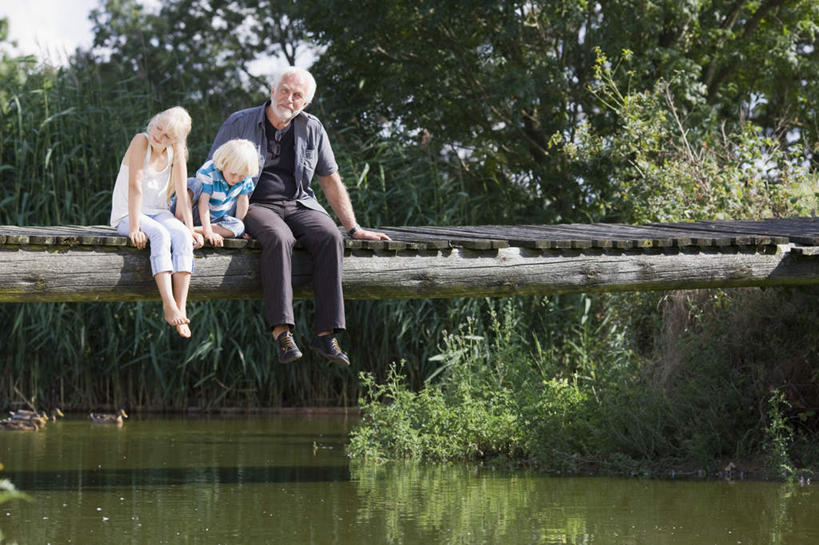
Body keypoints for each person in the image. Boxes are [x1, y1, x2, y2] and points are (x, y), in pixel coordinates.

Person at [208, 66, 390, 365]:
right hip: (253, 204)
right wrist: (218, 223)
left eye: (297, 96)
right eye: (284, 91)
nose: (289, 99)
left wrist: (354, 228)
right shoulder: (239, 122)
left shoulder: (313, 127)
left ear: (305, 103)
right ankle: (282, 332)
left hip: (299, 202)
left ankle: (326, 335)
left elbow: (330, 180)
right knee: (279, 238)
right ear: (272, 91)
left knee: (330, 236)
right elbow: (212, 171)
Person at [109, 106, 204, 338]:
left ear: (176, 140)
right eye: (158, 128)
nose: (158, 136)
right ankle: (168, 303)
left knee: (182, 236)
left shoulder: (176, 150)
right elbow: (135, 185)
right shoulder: (141, 141)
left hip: (159, 212)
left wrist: (190, 228)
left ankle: (181, 307)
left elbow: (182, 192)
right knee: (160, 234)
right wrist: (134, 227)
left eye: (167, 136)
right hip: (128, 213)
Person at [178, 138, 258, 247]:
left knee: (239, 226)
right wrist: (208, 232)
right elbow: (203, 202)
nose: (236, 179)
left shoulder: (244, 176)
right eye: (233, 174)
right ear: (224, 162)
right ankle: (184, 225)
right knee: (194, 183)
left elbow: (242, 201)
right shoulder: (209, 171)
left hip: (216, 221)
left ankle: (192, 229)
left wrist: (240, 228)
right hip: (194, 213)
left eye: (241, 176)